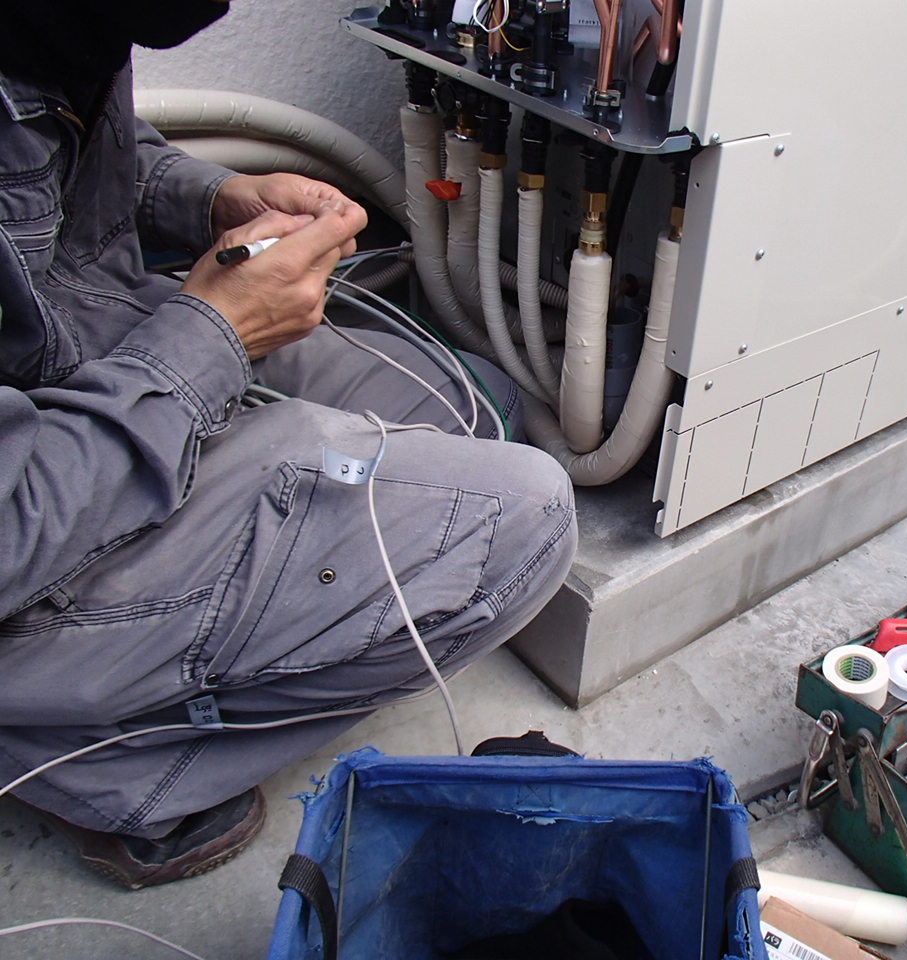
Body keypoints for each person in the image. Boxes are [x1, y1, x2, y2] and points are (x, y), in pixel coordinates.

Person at [0, 1, 577, 888]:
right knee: (524, 521)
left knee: (475, 404)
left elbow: (63, 175)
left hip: (103, 362)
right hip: (38, 501)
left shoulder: (50, 34)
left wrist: (213, 198)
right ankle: (99, 766)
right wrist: (212, 340)